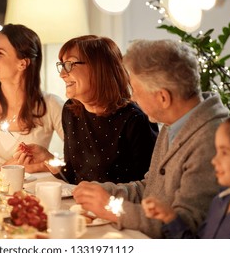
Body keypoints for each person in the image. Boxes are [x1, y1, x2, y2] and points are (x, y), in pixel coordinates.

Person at [72, 39, 230, 238]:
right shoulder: (175, 123)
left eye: (136, 90)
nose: (133, 98)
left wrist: (112, 208)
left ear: (163, 98)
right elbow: (151, 189)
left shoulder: (211, 140)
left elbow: (185, 225)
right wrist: (106, 192)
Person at [15, 35, 158, 184]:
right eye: (62, 65)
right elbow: (72, 174)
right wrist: (48, 159)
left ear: (98, 68)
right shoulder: (71, 110)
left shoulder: (135, 119)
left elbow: (149, 185)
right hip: (81, 205)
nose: (62, 74)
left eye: (70, 64)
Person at [0, 24, 64, 173]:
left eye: (0, 53)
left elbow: (77, 161)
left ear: (22, 63)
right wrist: (6, 170)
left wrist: (42, 163)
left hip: (36, 195)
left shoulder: (51, 105)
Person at [142, 108, 230, 238]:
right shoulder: (219, 201)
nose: (214, 160)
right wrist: (170, 218)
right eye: (217, 151)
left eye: (225, 152)